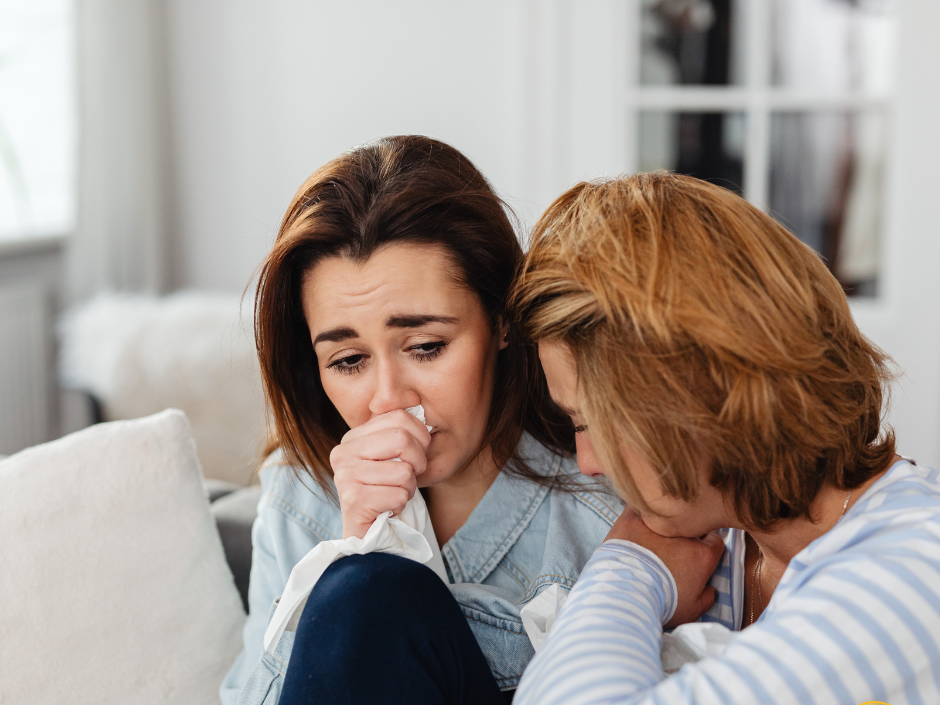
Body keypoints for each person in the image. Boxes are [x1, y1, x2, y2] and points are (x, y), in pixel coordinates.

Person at [219, 136, 623, 705]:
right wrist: (354, 549)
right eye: (349, 361)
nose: (388, 400)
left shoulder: (601, 510)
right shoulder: (298, 494)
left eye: (427, 347)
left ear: (502, 322)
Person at [511, 172, 940, 704]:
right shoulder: (728, 536)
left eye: (592, 422)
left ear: (703, 393)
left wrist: (627, 571)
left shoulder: (913, 570)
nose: (588, 462)